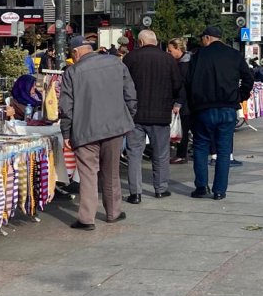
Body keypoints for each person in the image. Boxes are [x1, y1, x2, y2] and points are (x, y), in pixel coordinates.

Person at [58, 35, 137, 230]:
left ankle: (86, 218)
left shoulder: (72, 72)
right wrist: (127, 117)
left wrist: (66, 133)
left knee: (88, 174)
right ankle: (113, 212)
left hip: (85, 130)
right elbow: (130, 94)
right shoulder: (116, 64)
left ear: (76, 52)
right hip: (114, 128)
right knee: (111, 171)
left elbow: (66, 107)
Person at [186, 26, 253, 200]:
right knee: (224, 150)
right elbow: (249, 77)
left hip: (203, 109)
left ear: (207, 38)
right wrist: (240, 96)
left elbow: (188, 81)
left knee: (201, 147)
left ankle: (201, 187)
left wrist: (193, 103)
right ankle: (219, 191)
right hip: (228, 108)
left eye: (202, 38)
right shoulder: (234, 55)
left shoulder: (198, 55)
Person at [122, 29, 183, 203]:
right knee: (161, 153)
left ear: (140, 42)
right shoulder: (168, 59)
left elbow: (123, 85)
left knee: (134, 154)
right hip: (161, 115)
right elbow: (178, 85)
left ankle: (135, 193)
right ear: (155, 41)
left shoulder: (130, 59)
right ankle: (161, 189)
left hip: (135, 115)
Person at [167, 38, 193, 164]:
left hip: (185, 104)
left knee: (183, 128)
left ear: (178, 49)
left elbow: (182, 86)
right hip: (187, 102)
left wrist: (178, 103)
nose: (169, 52)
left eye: (170, 50)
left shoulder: (184, 65)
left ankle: (181, 154)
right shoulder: (186, 62)